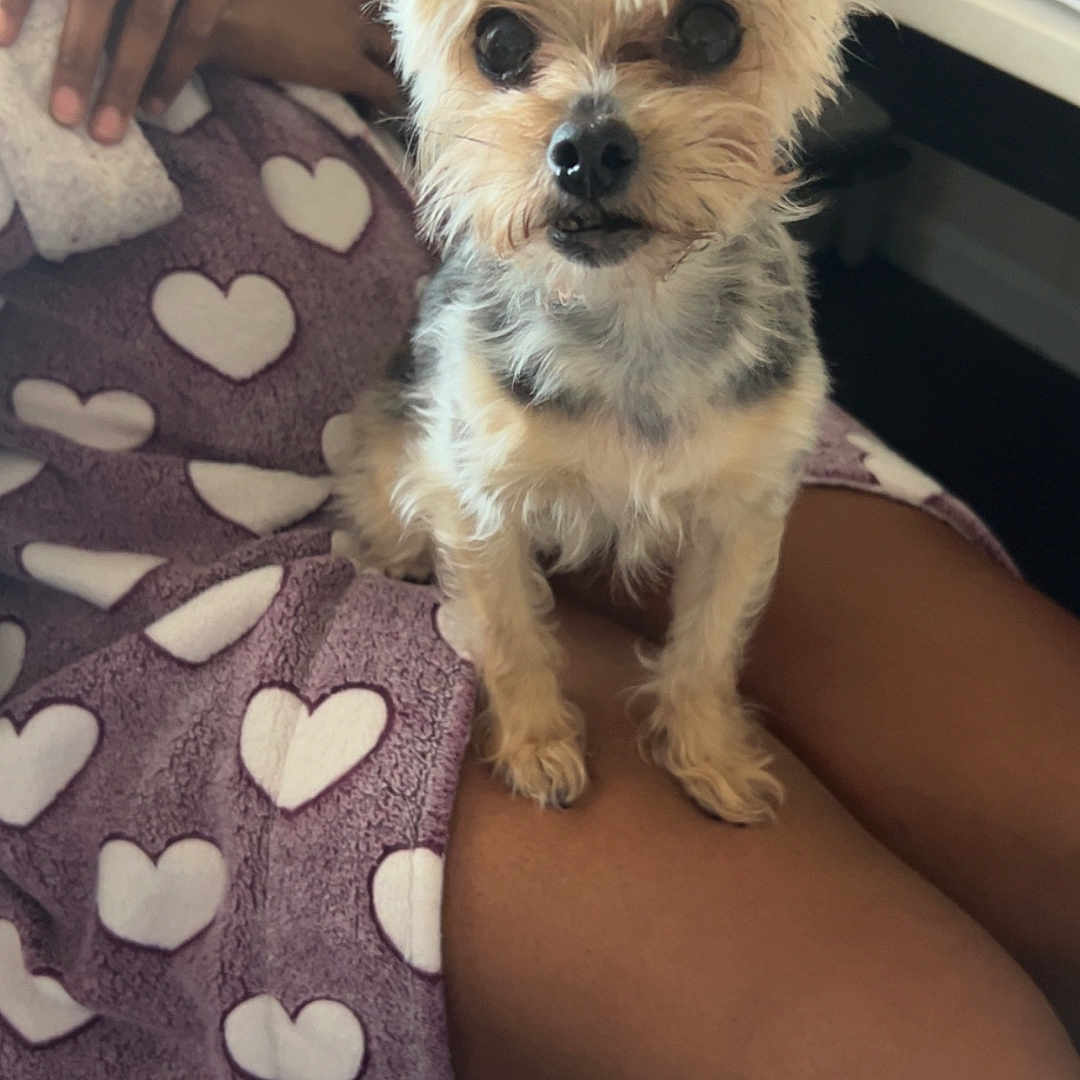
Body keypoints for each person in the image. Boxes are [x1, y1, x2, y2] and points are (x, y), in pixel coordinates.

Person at [1, 2, 1078, 1076]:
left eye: (700, 31)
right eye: (509, 41)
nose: (592, 128)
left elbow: (373, 40)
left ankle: (687, 695)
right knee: (927, 1047)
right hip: (146, 492)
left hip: (676, 319)